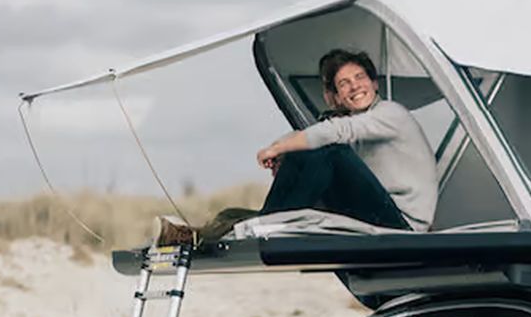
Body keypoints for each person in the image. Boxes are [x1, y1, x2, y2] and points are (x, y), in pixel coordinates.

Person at [155, 48, 437, 246]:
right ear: (336, 97)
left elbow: (335, 133)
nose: (354, 87)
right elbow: (320, 133)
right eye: (344, 84)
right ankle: (201, 235)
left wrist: (277, 148)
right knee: (231, 213)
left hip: (403, 226)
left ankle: (264, 226)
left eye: (360, 78)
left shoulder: (391, 113)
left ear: (374, 83)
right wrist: (286, 152)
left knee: (328, 149)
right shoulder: (356, 123)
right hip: (375, 215)